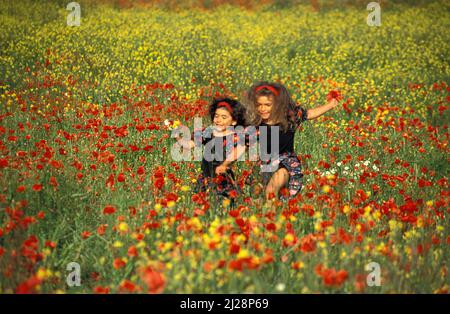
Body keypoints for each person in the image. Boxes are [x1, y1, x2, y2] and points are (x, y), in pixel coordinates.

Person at [243, 81, 342, 201]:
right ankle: (272, 215)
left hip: (286, 164)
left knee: (271, 191)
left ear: (278, 104)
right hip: (265, 165)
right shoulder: (257, 125)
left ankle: (270, 218)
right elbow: (243, 145)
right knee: (260, 196)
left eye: (267, 105)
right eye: (259, 105)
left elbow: (310, 113)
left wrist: (330, 105)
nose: (262, 109)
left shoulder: (290, 118)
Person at [175, 97, 247, 206]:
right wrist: (178, 138)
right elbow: (190, 144)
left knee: (222, 205)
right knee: (201, 205)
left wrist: (225, 164)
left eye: (224, 117)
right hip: (205, 177)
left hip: (222, 178)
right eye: (216, 116)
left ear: (234, 121)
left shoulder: (235, 137)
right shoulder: (209, 132)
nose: (218, 120)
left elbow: (239, 151)